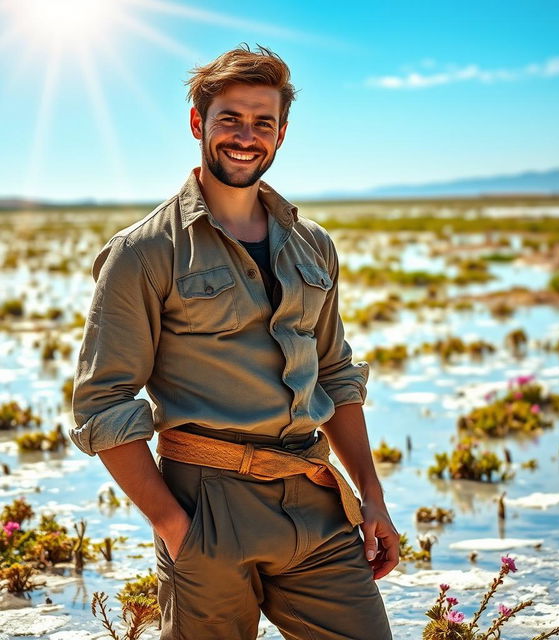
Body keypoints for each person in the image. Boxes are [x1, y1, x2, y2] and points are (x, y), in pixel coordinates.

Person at [70, 44, 398, 640]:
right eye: (230, 119)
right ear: (198, 123)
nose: (246, 136)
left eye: (262, 122)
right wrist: (178, 531)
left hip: (317, 500)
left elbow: (336, 374)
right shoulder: (145, 252)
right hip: (208, 507)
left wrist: (372, 499)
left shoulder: (312, 245)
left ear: (281, 134)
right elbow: (103, 404)